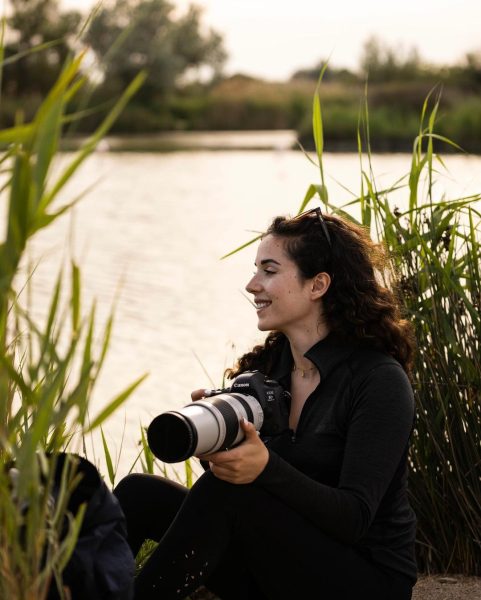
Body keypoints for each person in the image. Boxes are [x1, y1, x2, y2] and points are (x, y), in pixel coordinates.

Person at [114, 207, 418, 600]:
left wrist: (265, 468)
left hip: (365, 580)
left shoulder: (377, 381)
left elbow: (355, 518)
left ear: (318, 285)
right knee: (141, 493)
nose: (252, 284)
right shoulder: (272, 367)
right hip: (280, 565)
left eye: (269, 271)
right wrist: (217, 443)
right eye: (256, 270)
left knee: (228, 492)